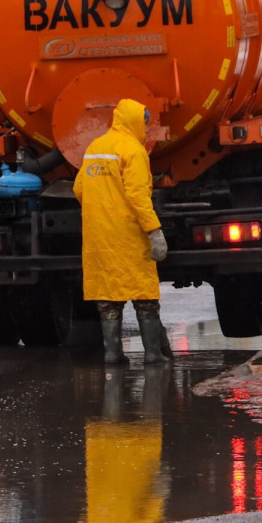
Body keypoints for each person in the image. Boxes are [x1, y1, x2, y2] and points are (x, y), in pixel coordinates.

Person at [72, 99, 171, 364]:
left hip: (99, 236)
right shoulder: (133, 151)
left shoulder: (96, 147)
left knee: (108, 298)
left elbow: (79, 189)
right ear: (135, 122)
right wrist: (154, 231)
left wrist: (102, 208)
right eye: (145, 123)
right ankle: (153, 354)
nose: (147, 129)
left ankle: (112, 354)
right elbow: (138, 196)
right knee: (144, 295)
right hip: (129, 235)